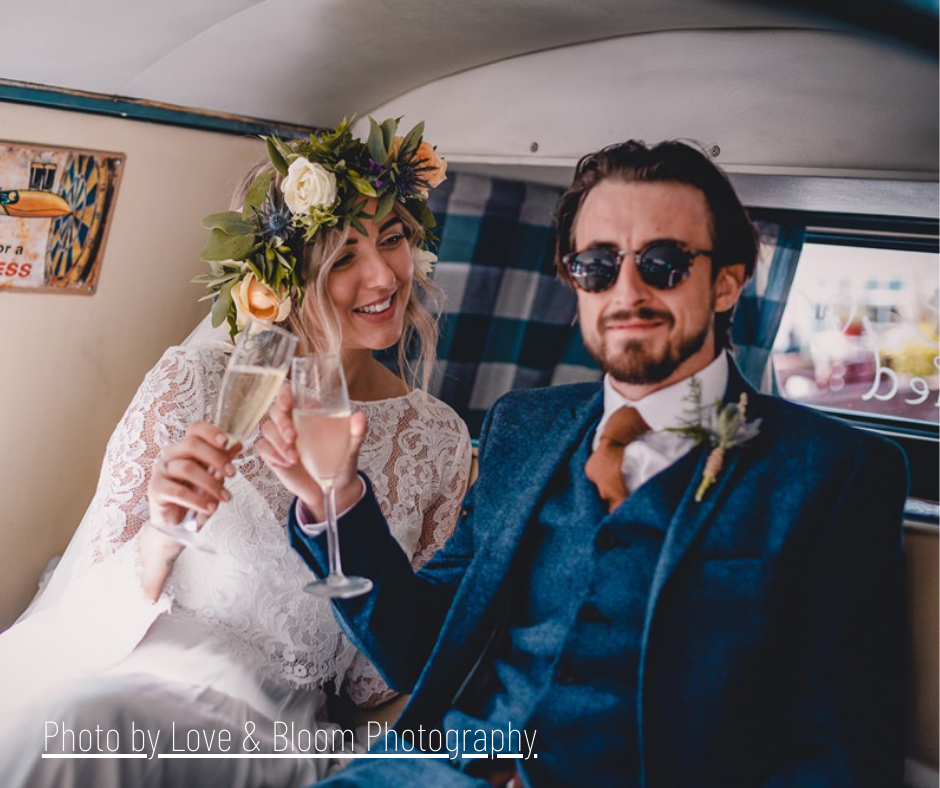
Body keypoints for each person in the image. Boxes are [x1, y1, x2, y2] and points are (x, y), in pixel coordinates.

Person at [279, 140, 908, 786]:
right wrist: (338, 500)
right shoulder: (522, 427)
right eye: (598, 266)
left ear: (727, 282)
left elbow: (840, 751)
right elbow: (421, 647)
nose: (626, 291)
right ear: (574, 282)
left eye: (663, 263)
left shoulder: (836, 472)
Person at [0, 117, 471, 787]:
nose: (383, 276)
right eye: (343, 258)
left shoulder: (440, 438)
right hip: (130, 681)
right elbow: (80, 619)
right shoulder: (192, 383)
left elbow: (374, 680)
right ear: (287, 278)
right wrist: (162, 536)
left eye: (392, 240)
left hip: (273, 733)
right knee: (87, 721)